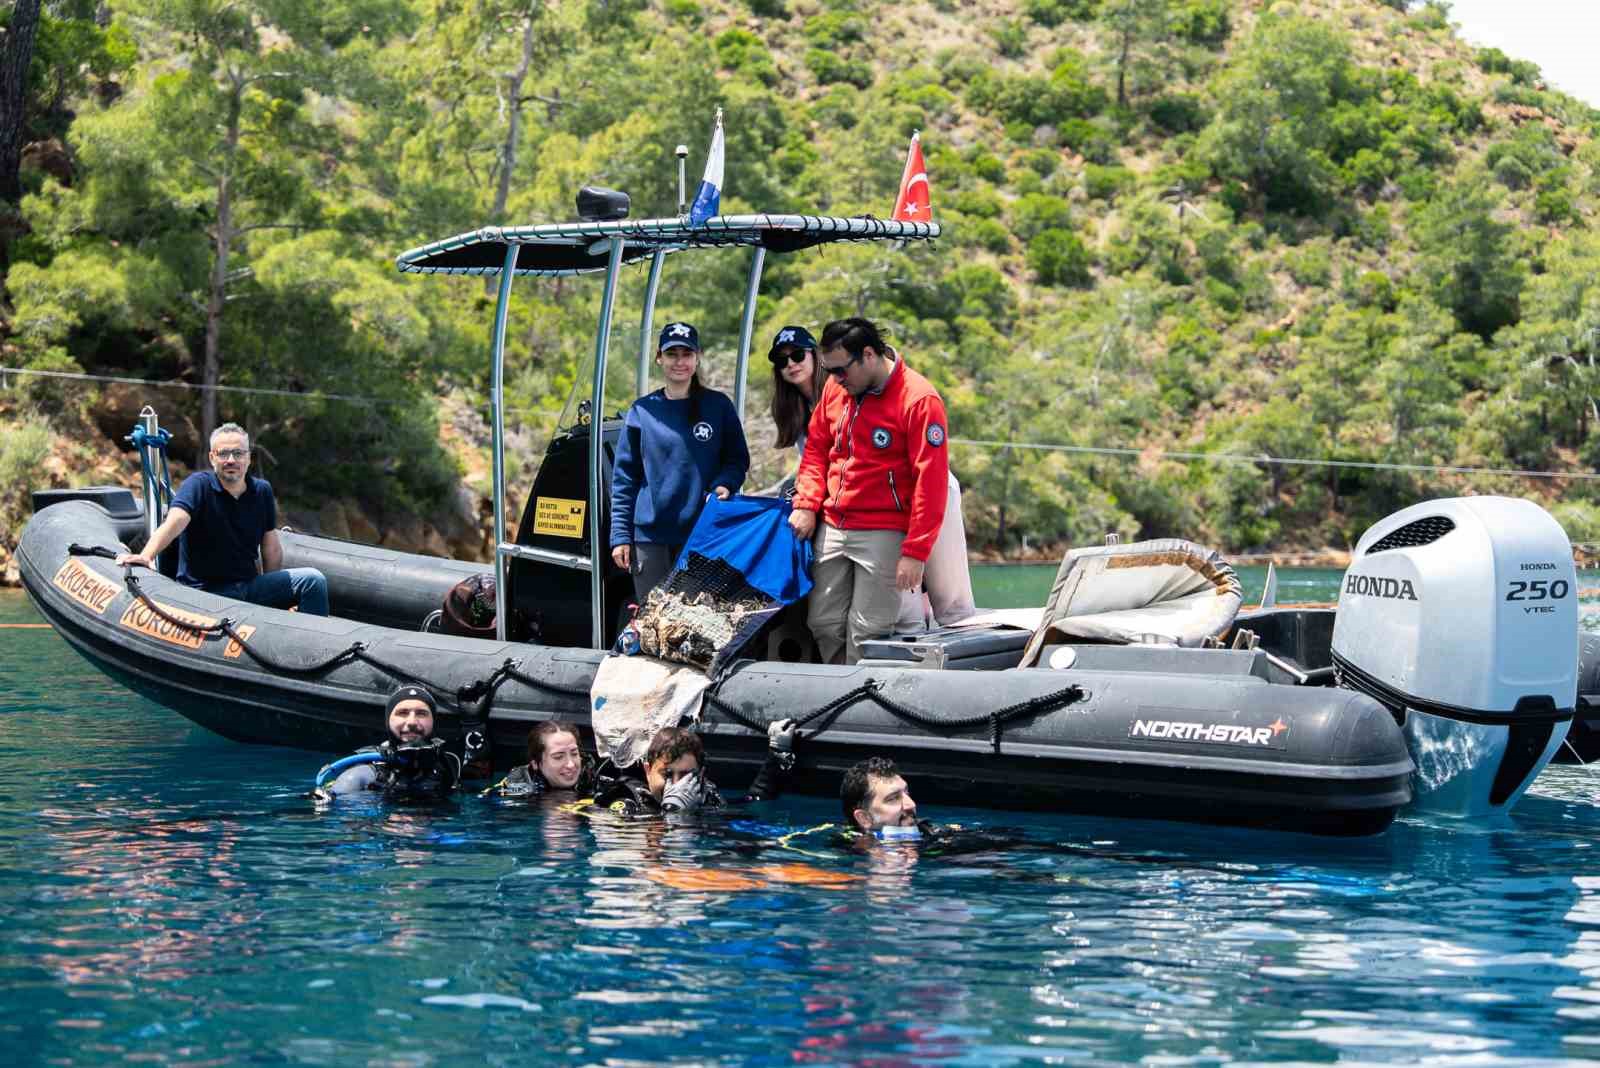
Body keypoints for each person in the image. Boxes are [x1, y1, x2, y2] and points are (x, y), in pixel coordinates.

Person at [769, 323, 975, 631]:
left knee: (938, 604)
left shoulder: (918, 399)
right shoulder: (833, 390)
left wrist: (915, 551)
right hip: (846, 512)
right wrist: (807, 503)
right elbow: (816, 452)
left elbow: (929, 482)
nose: (834, 378)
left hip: (917, 500)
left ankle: (949, 646)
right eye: (782, 360)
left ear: (868, 355)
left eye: (839, 370)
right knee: (828, 622)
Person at [115, 422, 329, 616]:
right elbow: (174, 522)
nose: (231, 460)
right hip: (206, 595)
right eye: (223, 453)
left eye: (238, 453)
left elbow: (271, 547)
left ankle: (316, 651)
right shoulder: (198, 485)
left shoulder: (262, 491)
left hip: (248, 587)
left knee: (313, 580)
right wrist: (146, 555)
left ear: (248, 458)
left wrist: (278, 598)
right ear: (212, 458)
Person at [610, 322, 751, 602]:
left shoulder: (718, 406)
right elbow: (624, 480)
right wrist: (620, 537)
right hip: (650, 538)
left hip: (703, 535)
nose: (679, 361)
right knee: (652, 624)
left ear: (697, 357)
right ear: (659, 358)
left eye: (686, 354)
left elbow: (737, 459)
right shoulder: (642, 411)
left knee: (693, 624)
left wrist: (725, 484)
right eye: (671, 353)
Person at [594, 721, 796, 817]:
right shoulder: (626, 803)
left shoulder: (706, 798)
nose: (677, 785)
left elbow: (752, 802)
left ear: (700, 775)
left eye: (686, 776)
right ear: (648, 770)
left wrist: (778, 752)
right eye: (667, 774)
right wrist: (673, 811)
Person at [314, 685, 473, 802]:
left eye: (421, 713)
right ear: (388, 720)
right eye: (402, 713)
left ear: (433, 721)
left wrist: (474, 723)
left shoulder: (449, 764)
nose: (411, 722)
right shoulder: (367, 771)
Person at [495, 720, 594, 798]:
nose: (571, 765)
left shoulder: (591, 780)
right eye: (558, 757)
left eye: (574, 753)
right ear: (535, 764)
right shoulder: (517, 788)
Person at [840, 756, 926, 837]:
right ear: (864, 819)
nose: (911, 804)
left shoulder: (929, 833)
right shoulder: (840, 851)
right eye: (893, 798)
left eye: (907, 793)